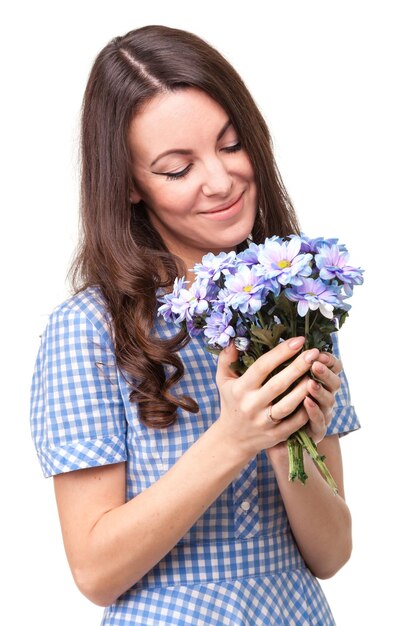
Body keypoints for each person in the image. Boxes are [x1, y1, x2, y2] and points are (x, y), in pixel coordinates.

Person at [30, 25, 360, 625]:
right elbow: (95, 573)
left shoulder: (293, 303)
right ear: (130, 185)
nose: (221, 180)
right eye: (178, 168)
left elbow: (331, 553)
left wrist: (289, 432)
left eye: (231, 145)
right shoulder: (87, 331)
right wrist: (234, 438)